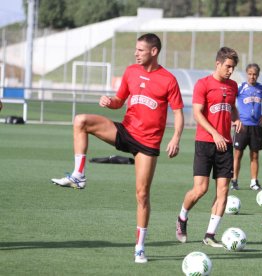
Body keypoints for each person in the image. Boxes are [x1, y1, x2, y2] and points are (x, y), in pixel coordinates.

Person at [51, 33, 184, 263]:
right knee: (80, 120)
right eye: (136, 49)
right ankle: (78, 175)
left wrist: (176, 138)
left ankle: (140, 248)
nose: (136, 53)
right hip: (125, 131)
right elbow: (119, 101)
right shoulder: (131, 71)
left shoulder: (169, 80)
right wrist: (109, 101)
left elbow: (178, 113)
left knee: (142, 195)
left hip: (148, 143)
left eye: (141, 50)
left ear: (154, 51)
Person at [175, 47, 242, 247]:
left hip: (226, 146)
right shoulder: (202, 84)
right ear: (218, 64)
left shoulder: (233, 86)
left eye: (233, 67)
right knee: (200, 189)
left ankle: (210, 235)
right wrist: (214, 133)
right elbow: (197, 113)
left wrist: (237, 119)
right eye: (228, 66)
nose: (230, 70)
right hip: (205, 143)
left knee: (223, 192)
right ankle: (182, 217)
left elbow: (232, 106)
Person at [231, 63, 262, 191]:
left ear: (258, 75)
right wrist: (235, 119)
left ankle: (254, 181)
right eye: (250, 74)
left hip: (255, 127)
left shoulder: (261, 89)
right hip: (242, 126)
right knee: (237, 154)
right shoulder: (241, 87)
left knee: (254, 155)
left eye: (254, 74)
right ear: (246, 74)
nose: (252, 76)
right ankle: (234, 180)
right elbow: (231, 102)